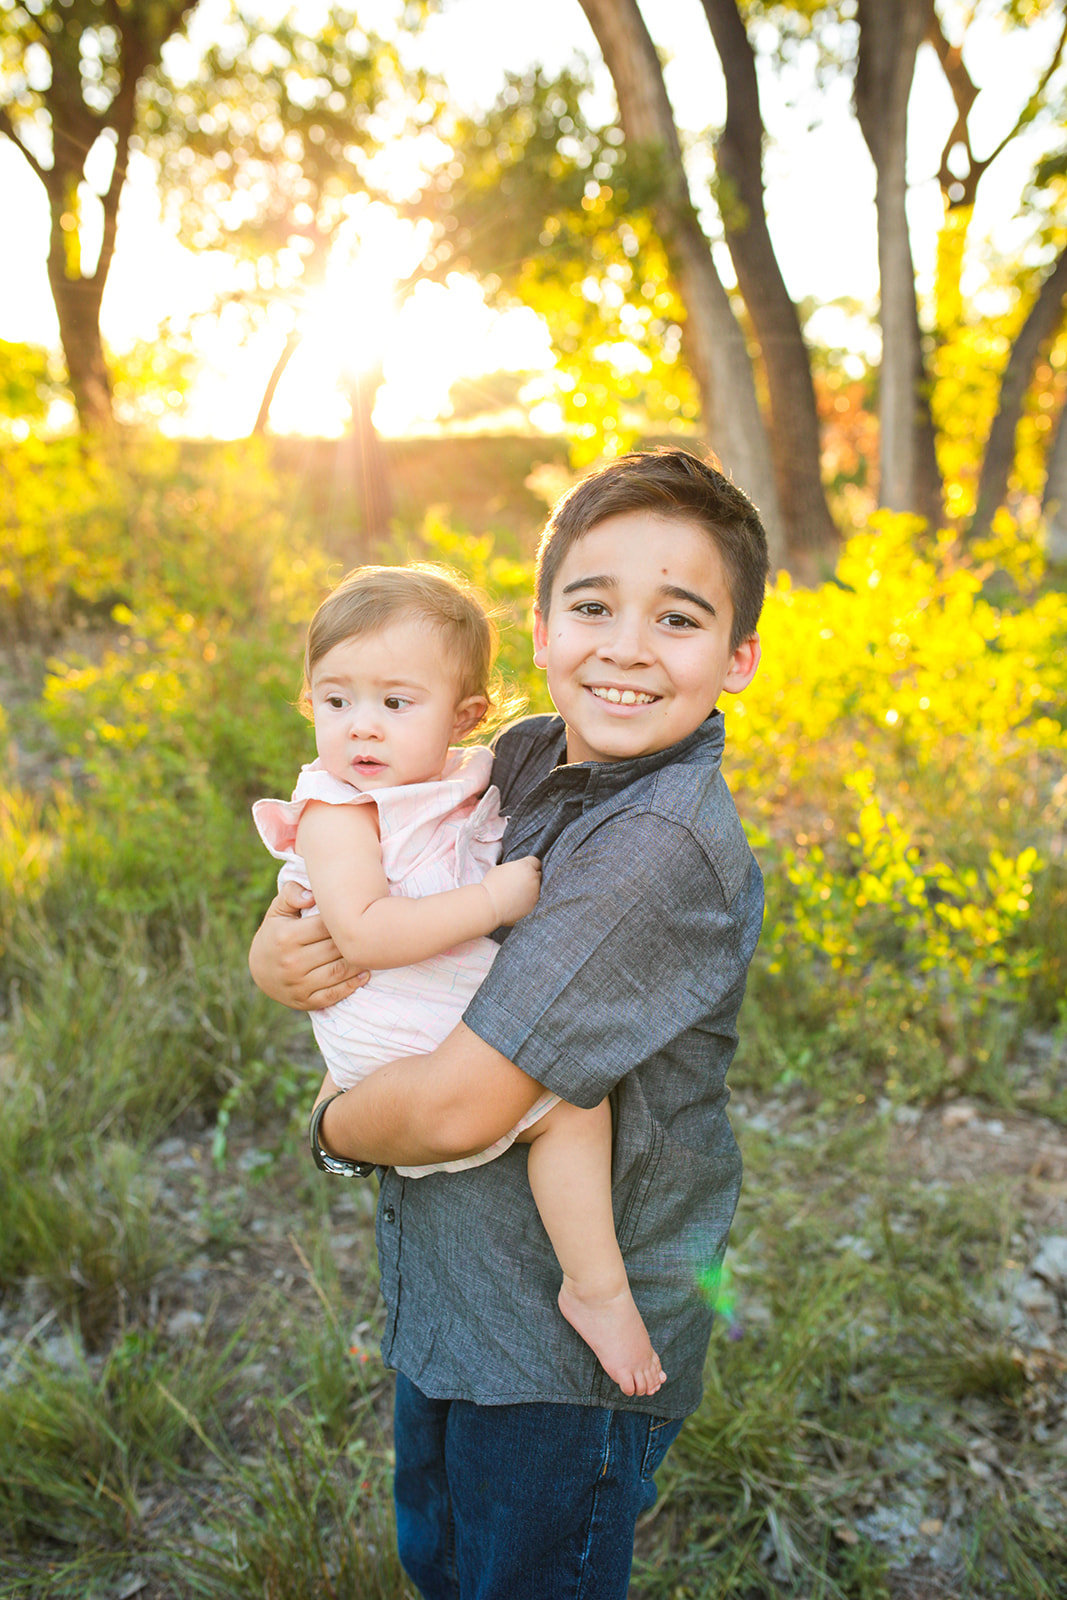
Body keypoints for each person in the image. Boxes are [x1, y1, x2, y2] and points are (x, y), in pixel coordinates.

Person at [249, 449, 769, 1600]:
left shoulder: (653, 851)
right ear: (539, 627)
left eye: (677, 618)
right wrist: (279, 952)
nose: (626, 646)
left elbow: (450, 1108)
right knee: (443, 1560)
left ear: (736, 658)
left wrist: (334, 1126)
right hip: (458, 1290)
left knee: (522, 1576)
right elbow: (352, 857)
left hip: (554, 1364)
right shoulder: (527, 754)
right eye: (593, 606)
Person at [252, 564, 666, 1398]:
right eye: (336, 702)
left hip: (428, 1002)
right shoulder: (339, 810)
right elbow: (363, 929)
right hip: (390, 1009)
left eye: (394, 704)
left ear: (465, 716)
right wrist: (490, 899)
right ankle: (597, 1287)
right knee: (569, 1105)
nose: (360, 729)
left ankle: (593, 1285)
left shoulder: (459, 778)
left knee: (570, 1103)